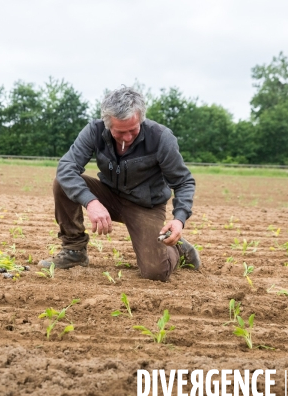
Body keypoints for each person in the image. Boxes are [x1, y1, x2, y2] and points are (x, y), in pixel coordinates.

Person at [38, 87, 199, 281]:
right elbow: (66, 167)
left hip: (145, 206)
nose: (128, 138)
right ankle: (74, 251)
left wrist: (179, 219)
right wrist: (91, 202)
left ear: (141, 118)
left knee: (155, 273)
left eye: (133, 130)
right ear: (107, 125)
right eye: (120, 132)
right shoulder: (94, 131)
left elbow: (183, 181)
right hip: (109, 196)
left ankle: (178, 249)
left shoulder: (161, 138)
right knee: (62, 183)